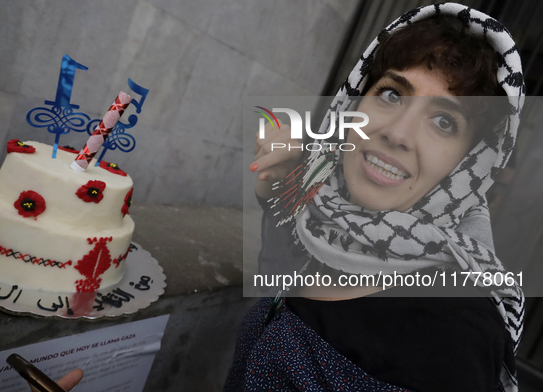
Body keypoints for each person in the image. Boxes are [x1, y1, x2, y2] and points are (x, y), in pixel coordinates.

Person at [225, 3, 524, 392]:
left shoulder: (452, 331)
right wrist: (281, 190)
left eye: (444, 121)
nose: (397, 133)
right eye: (391, 95)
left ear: (468, 164)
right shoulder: (326, 222)